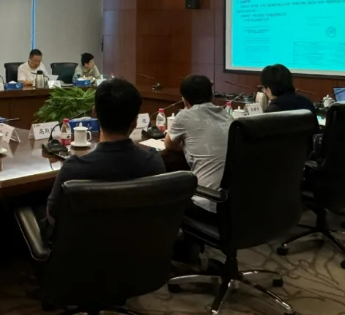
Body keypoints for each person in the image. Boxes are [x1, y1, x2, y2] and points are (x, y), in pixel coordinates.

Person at [45, 78, 165, 227]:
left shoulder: (73, 169)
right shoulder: (154, 163)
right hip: (140, 240)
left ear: (94, 113)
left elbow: (52, 216)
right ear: (135, 121)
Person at [165, 75, 233, 218]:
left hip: (208, 204)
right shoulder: (227, 116)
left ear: (184, 99)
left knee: (165, 194)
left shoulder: (184, 116)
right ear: (211, 95)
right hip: (234, 204)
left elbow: (169, 144)